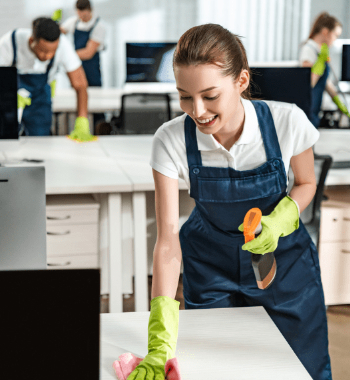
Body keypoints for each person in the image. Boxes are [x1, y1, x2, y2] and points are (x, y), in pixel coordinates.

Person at [128, 24, 332, 380]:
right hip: (210, 268)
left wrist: (282, 217)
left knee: (302, 369)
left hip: (284, 267)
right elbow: (167, 241)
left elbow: (306, 183)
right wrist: (159, 339)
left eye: (209, 95)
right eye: (185, 96)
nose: (197, 110)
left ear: (240, 81)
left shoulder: (287, 121)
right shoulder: (171, 140)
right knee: (215, 369)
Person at [0, 17, 95, 141]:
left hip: (40, 99)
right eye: (43, 51)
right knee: (6, 139)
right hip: (10, 100)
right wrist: (7, 96)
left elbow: (80, 85)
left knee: (41, 140)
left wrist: (82, 121)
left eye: (52, 52)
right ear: (31, 40)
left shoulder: (63, 45)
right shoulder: (11, 42)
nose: (48, 56)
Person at [60, 0, 106, 127]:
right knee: (76, 102)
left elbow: (88, 53)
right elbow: (58, 34)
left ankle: (99, 131)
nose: (82, 18)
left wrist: (67, 55)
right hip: (76, 69)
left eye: (85, 15)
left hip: (92, 72)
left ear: (90, 11)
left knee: (96, 106)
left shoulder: (99, 26)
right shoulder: (73, 22)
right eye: (80, 14)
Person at [300, 12, 349, 128]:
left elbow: (325, 82)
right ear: (325, 32)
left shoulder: (319, 51)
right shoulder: (309, 49)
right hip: (307, 109)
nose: (335, 39)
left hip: (314, 109)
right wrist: (321, 61)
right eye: (335, 35)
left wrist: (340, 104)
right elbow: (308, 83)